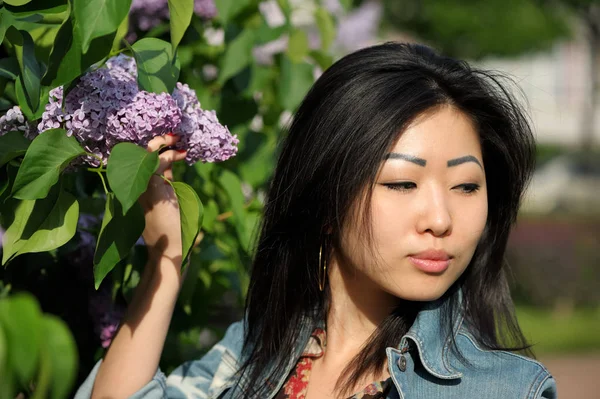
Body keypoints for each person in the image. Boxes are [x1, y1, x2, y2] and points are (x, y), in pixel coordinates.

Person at [75, 42, 556, 399]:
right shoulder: (256, 351)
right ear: (326, 198)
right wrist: (166, 257)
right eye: (402, 184)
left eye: (466, 186)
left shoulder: (505, 390)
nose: (440, 219)